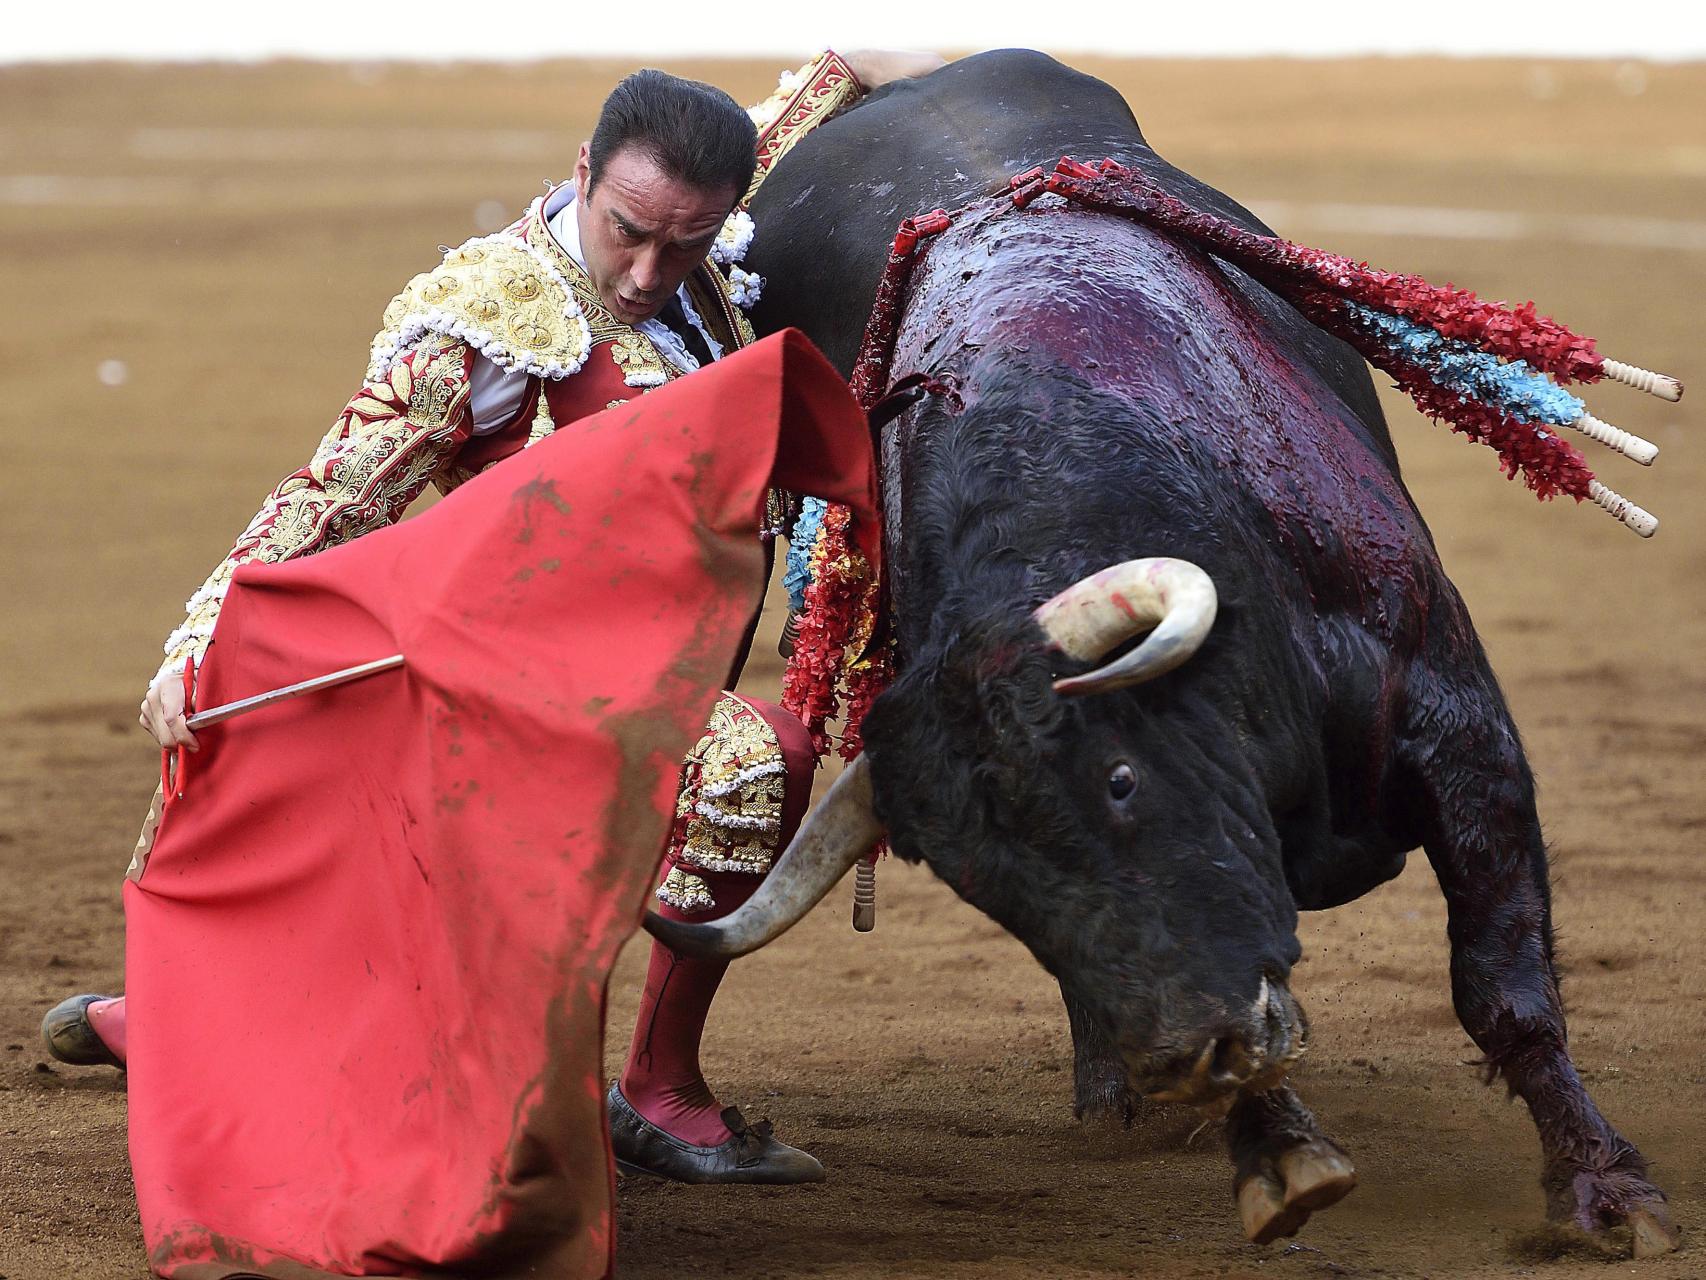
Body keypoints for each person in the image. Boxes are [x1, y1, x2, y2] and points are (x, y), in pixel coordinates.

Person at [42, 47, 943, 1185]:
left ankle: (642, 1083)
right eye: (628, 230)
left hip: (644, 665)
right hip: (517, 681)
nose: (648, 270)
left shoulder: (686, 228)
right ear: (581, 175)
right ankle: (636, 1087)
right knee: (751, 765)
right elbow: (330, 495)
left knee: (747, 759)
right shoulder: (483, 320)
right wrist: (192, 645)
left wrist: (862, 65)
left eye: (689, 242)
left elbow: (790, 110)